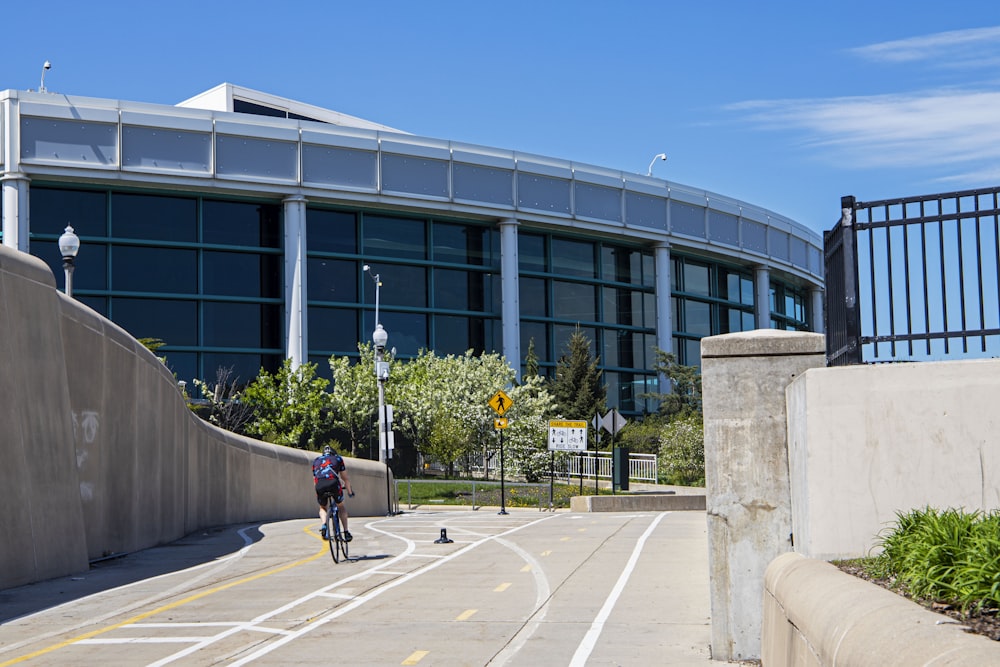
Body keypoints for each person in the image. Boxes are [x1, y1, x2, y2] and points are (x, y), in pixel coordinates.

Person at [313, 445, 354, 541]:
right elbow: (345, 479)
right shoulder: (338, 458)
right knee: (341, 506)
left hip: (320, 485)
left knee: (323, 507)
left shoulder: (316, 461)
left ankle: (324, 525)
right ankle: (346, 532)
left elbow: (315, 480)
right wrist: (350, 492)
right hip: (333, 483)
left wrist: (317, 492)